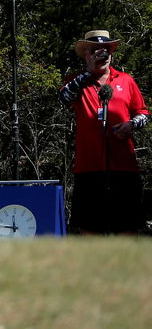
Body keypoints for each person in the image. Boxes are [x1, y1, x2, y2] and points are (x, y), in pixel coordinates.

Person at [59, 29, 147, 234]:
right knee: (89, 227)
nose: (102, 54)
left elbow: (143, 113)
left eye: (106, 50)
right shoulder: (77, 81)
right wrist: (88, 72)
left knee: (127, 226)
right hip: (89, 167)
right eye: (96, 50)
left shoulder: (125, 80)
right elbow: (64, 98)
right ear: (86, 55)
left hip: (123, 166)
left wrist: (131, 125)